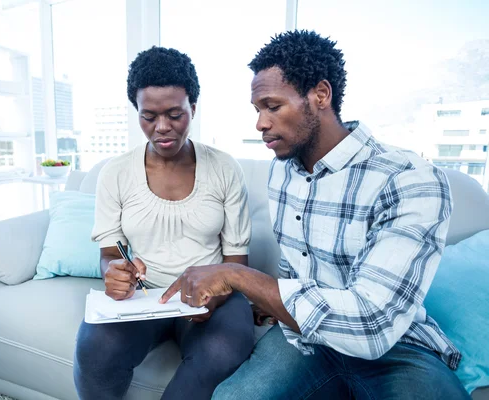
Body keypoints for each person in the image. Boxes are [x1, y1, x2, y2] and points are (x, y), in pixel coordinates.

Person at [160, 31, 470, 399]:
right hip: (304, 339)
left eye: (272, 107)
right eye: (257, 110)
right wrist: (269, 302)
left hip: (396, 349)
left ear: (321, 95)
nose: (260, 123)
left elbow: (372, 325)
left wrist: (238, 275)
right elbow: (296, 268)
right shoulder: (283, 170)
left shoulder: (408, 178)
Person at [73, 46, 254, 400]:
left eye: (175, 114)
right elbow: (110, 252)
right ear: (137, 113)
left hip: (212, 295)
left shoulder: (224, 168)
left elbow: (236, 263)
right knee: (95, 349)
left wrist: (213, 297)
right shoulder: (115, 173)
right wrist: (115, 271)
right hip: (145, 296)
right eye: (149, 116)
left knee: (222, 350)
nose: (162, 128)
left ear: (193, 109)